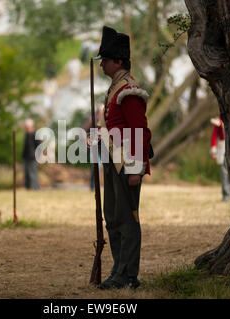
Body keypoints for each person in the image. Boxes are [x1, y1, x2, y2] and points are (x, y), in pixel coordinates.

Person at [93, 26, 152, 290]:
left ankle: (128, 274)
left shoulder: (129, 91)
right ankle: (119, 270)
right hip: (114, 162)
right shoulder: (116, 89)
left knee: (127, 220)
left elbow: (140, 132)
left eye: (105, 59)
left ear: (118, 61)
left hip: (127, 165)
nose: (102, 63)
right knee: (114, 217)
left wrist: (136, 170)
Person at [210, 116, 230, 202]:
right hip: (222, 148)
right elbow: (214, 136)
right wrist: (213, 150)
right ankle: (226, 194)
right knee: (224, 172)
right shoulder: (218, 122)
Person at [22, 119, 40, 190]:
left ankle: (36, 188)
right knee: (26, 173)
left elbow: (39, 145)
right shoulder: (27, 134)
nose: (25, 128)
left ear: (30, 126)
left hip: (32, 157)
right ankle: (28, 188)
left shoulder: (35, 134)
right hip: (26, 157)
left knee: (33, 173)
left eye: (26, 126)